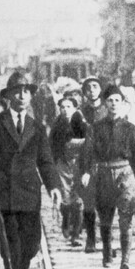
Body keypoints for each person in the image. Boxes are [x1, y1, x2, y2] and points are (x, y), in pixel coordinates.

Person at [0, 72, 62, 269]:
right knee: (11, 245)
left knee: (32, 243)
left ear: (30, 96)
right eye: (16, 91)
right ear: (7, 96)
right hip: (4, 192)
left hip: (29, 192)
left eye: (26, 91)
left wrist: (54, 187)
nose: (22, 95)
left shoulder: (37, 127)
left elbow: (45, 161)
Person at [79, 85, 135, 269]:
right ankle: (107, 251)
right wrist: (86, 172)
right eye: (110, 100)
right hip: (103, 174)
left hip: (125, 174)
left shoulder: (130, 128)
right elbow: (88, 151)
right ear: (105, 103)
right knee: (106, 219)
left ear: (123, 104)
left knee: (126, 220)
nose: (114, 104)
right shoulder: (96, 128)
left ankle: (125, 263)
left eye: (117, 100)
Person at [50, 97, 89, 247]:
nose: (65, 109)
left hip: (79, 164)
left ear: (75, 108)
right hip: (62, 164)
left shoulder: (82, 123)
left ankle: (76, 234)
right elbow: (51, 146)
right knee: (65, 198)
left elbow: (89, 143)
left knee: (78, 200)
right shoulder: (57, 125)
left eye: (68, 106)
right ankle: (66, 218)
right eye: (62, 107)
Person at [79, 76, 107, 253]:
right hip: (86, 160)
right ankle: (90, 238)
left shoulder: (107, 109)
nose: (92, 90)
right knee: (88, 201)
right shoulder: (80, 112)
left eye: (95, 86)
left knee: (106, 202)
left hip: (105, 160)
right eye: (88, 88)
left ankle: (106, 241)